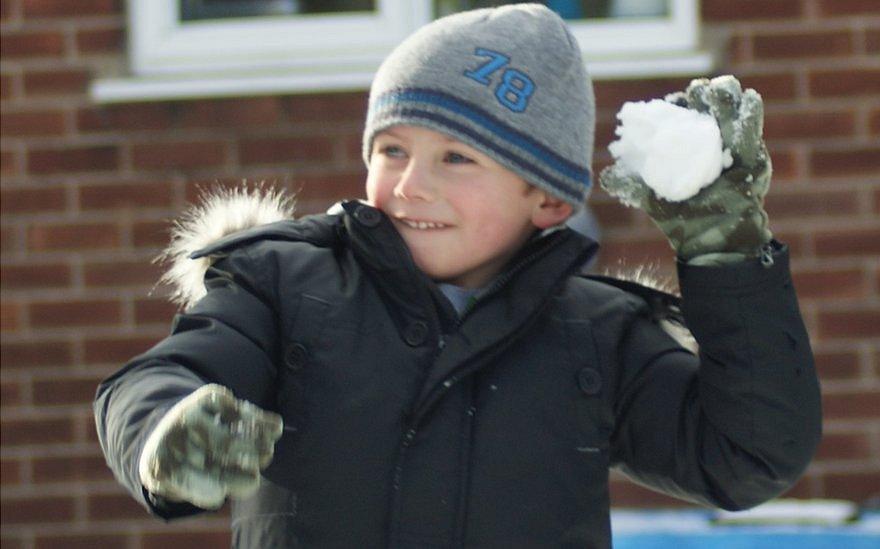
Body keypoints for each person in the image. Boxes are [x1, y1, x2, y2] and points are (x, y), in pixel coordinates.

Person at [94, 4, 821, 548]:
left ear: (547, 197)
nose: (410, 185)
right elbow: (156, 377)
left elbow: (746, 452)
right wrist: (167, 433)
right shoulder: (282, 288)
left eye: (457, 158)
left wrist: (724, 251)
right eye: (391, 149)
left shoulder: (598, 337)